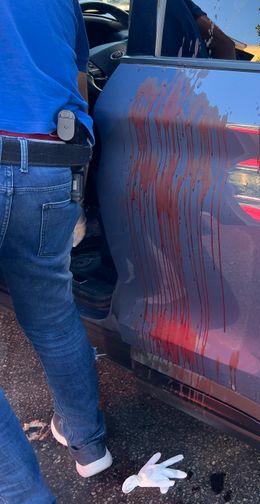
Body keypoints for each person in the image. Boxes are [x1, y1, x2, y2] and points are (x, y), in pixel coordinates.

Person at [0, 1, 111, 502]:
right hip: (53, 161)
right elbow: (79, 77)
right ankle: (88, 442)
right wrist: (80, 195)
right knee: (51, 311)